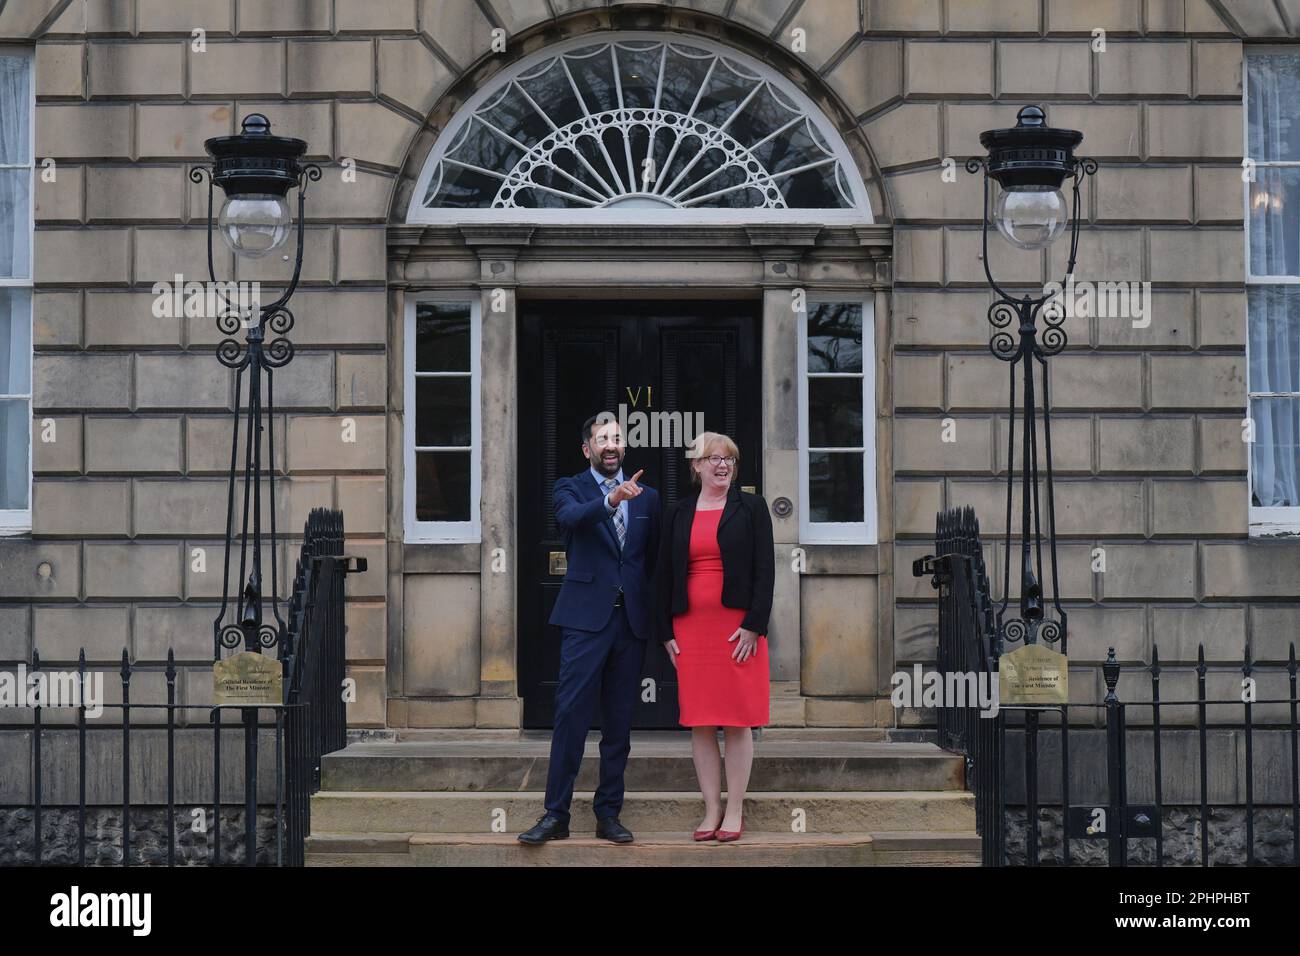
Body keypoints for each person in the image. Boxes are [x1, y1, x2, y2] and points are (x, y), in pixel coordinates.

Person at [518, 414, 661, 845]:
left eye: (617, 438)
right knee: (570, 718)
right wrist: (611, 500)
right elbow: (572, 519)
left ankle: (608, 814)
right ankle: (555, 814)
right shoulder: (569, 487)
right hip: (584, 620)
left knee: (619, 724)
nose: (611, 445)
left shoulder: (650, 498)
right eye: (602, 440)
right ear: (588, 449)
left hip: (630, 624)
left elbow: (651, 562)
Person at [657, 431, 773, 843]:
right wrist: (665, 630)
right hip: (692, 629)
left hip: (737, 630)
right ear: (696, 466)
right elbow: (664, 573)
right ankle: (711, 809)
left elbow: (765, 571)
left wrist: (755, 625)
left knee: (738, 720)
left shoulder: (752, 508)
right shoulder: (677, 512)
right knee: (701, 722)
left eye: (729, 459)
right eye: (713, 458)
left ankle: (736, 809)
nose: (722, 465)